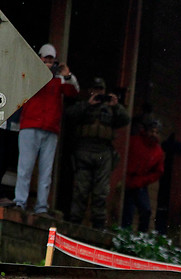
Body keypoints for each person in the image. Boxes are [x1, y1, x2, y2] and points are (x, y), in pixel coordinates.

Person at [13, 43, 79, 214]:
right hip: (29, 125)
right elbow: (21, 82)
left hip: (50, 129)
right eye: (45, 58)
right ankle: (20, 201)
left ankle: (41, 206)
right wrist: (40, 69)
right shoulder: (32, 73)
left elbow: (74, 92)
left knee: (46, 171)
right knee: (25, 167)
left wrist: (67, 74)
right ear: (39, 58)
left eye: (51, 59)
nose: (48, 62)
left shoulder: (60, 79)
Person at [66, 77, 130, 228]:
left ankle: (98, 224)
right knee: (81, 190)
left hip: (103, 152)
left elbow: (125, 120)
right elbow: (69, 115)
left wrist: (116, 106)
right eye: (95, 89)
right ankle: (75, 222)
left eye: (101, 90)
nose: (98, 93)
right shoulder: (84, 105)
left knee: (101, 192)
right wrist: (87, 105)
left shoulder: (111, 108)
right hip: (84, 150)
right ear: (90, 91)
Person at [122, 118, 164, 232]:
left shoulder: (158, 151)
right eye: (152, 131)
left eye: (157, 132)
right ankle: (124, 233)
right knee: (127, 211)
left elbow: (158, 171)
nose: (153, 134)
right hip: (127, 180)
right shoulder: (134, 141)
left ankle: (142, 236)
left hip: (140, 183)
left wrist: (144, 180)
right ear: (146, 131)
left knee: (146, 210)